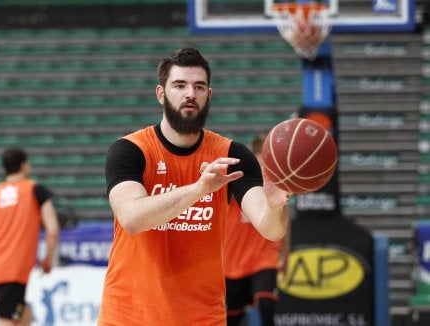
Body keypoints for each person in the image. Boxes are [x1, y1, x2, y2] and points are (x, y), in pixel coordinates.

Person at [98, 47, 291, 325]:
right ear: (161, 94)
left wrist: (276, 204)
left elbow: (271, 230)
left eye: (199, 86)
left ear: (208, 95)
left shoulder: (232, 155)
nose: (190, 93)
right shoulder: (130, 150)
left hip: (202, 317)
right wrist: (198, 190)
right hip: (129, 316)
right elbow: (132, 218)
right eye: (180, 85)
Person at [0, 147, 60, 326]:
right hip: (14, 268)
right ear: (24, 165)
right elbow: (53, 229)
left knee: (24, 314)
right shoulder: (34, 190)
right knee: (6, 319)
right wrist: (48, 258)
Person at [224, 133, 291, 326]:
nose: (265, 169)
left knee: (266, 305)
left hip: (264, 258)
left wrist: (286, 254)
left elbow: (285, 223)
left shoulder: (277, 188)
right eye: (262, 163)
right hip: (232, 261)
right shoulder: (237, 183)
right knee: (231, 317)